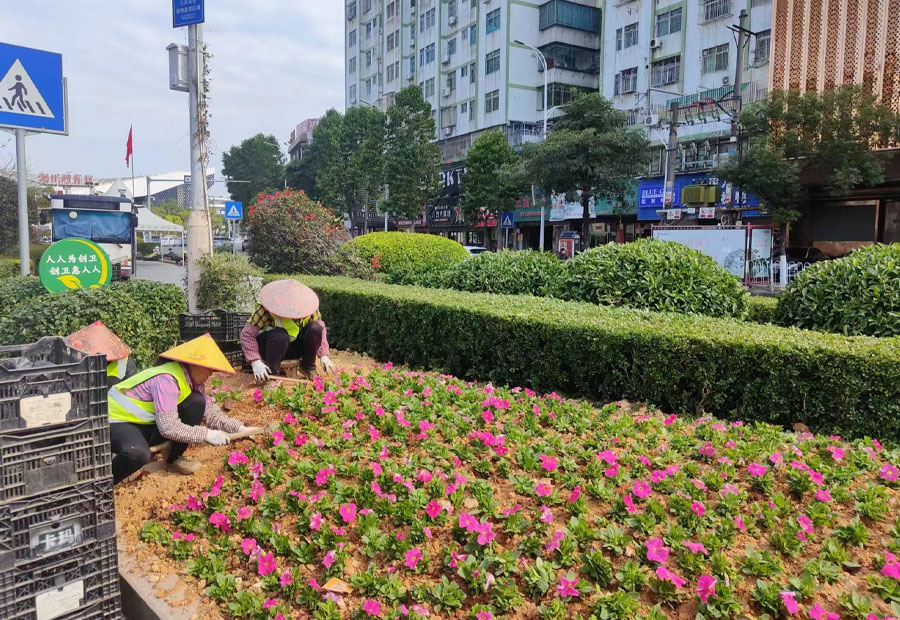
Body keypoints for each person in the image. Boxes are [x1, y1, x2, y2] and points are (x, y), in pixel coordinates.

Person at [108, 334, 252, 484]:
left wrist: (239, 428)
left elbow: (209, 413)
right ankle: (102, 487)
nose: (210, 374)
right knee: (137, 453)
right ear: (195, 364)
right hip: (117, 422)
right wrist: (206, 434)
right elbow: (168, 427)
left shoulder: (190, 381)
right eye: (209, 369)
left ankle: (173, 458)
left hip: (145, 423)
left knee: (196, 401)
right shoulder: (167, 379)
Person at [241, 279, 335, 382]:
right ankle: (273, 376)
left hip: (293, 347)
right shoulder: (265, 310)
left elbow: (320, 331)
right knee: (280, 335)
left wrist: (324, 355)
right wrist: (255, 361)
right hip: (270, 349)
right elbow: (247, 334)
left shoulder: (309, 309)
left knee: (315, 328)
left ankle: (308, 367)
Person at [66, 321, 136, 387]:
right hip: (91, 395)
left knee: (112, 381)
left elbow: (134, 386)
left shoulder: (124, 360)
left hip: (116, 395)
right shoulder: (82, 360)